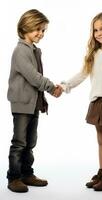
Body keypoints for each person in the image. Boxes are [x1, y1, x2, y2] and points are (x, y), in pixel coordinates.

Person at [61, 12, 102, 191]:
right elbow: (82, 74)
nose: (98, 33)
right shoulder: (94, 53)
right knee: (100, 140)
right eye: (95, 30)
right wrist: (66, 85)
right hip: (96, 102)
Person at [7, 9, 62, 193]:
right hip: (22, 104)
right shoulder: (20, 51)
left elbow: (35, 79)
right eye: (36, 29)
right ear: (24, 28)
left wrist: (44, 95)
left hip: (33, 103)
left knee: (30, 142)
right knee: (19, 143)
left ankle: (26, 174)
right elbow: (33, 77)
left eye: (43, 30)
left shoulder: (34, 50)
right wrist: (51, 87)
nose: (41, 33)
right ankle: (14, 177)